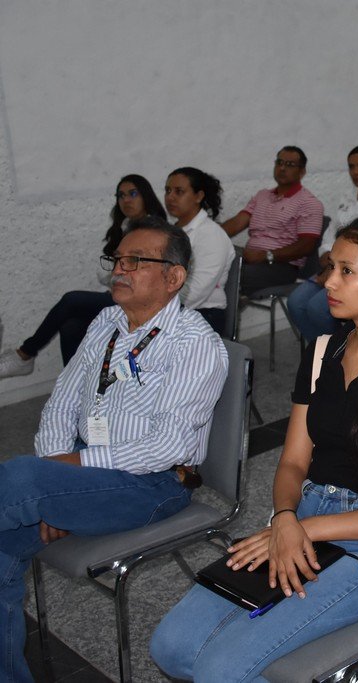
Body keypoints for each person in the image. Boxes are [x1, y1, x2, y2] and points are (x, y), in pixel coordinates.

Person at [150, 216, 358, 681]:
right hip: (303, 517)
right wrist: (284, 518)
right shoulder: (320, 353)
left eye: (346, 271)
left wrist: (304, 528)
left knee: (221, 668)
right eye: (330, 267)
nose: (329, 282)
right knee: (170, 647)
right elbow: (295, 461)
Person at [0, 218, 228, 682]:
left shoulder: (194, 343)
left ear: (173, 277)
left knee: (21, 478)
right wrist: (59, 482)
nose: (119, 270)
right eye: (117, 259)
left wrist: (66, 474)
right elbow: (62, 402)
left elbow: (169, 445)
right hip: (86, 470)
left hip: (155, 483)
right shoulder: (106, 321)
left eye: (135, 261)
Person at [0, 175, 166, 375]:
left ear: (146, 195)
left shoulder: (156, 230)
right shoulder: (123, 228)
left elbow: (138, 275)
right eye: (121, 195)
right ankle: (76, 385)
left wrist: (117, 272)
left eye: (133, 193)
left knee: (71, 300)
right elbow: (103, 272)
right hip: (118, 295)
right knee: (70, 326)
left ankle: (25, 354)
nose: (126, 200)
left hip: (141, 301)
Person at [287, 145, 358, 342]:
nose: (356, 171)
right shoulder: (347, 197)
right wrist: (328, 259)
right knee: (296, 303)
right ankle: (321, 351)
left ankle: (340, 351)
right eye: (351, 166)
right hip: (334, 267)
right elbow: (331, 233)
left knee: (318, 308)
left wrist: (335, 267)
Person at [220, 146, 325, 295]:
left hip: (280, 266)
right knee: (213, 267)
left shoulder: (309, 203)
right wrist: (209, 235)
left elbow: (306, 245)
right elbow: (237, 223)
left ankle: (230, 307)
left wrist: (266, 255)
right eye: (279, 163)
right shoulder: (262, 196)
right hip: (249, 260)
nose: (282, 168)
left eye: (290, 165)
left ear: (302, 172)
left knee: (229, 276)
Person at [164, 167, 236, 335]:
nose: (170, 197)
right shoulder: (169, 231)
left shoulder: (210, 234)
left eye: (179, 191)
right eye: (168, 191)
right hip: (170, 307)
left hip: (203, 315)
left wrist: (153, 308)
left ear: (198, 196)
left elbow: (196, 292)